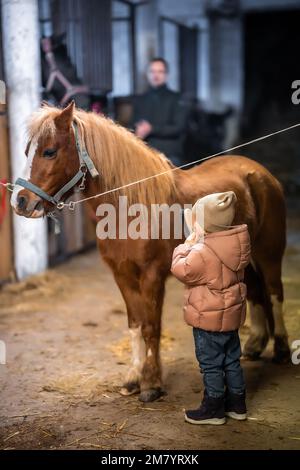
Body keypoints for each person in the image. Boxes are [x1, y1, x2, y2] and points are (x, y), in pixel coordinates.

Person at [171, 192, 251, 425]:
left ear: (204, 225)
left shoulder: (202, 252)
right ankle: (238, 405)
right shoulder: (236, 245)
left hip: (209, 320)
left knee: (211, 364)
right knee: (232, 360)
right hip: (230, 318)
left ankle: (213, 409)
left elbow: (181, 270)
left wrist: (186, 244)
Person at [130, 58, 187, 166]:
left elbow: (179, 127)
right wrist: (137, 130)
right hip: (144, 152)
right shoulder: (140, 99)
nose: (156, 75)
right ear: (147, 74)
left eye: (160, 71)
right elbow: (132, 125)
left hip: (169, 154)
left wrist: (151, 129)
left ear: (166, 75)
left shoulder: (177, 98)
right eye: (152, 71)